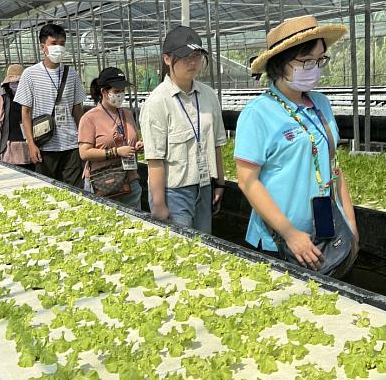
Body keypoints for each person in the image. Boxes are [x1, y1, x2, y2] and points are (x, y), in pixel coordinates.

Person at [235, 15, 358, 274]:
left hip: (324, 233)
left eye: (319, 60)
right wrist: (290, 233)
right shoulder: (258, 112)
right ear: (281, 64)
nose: (315, 69)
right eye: (306, 62)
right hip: (278, 241)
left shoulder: (321, 104)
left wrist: (350, 223)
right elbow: (247, 181)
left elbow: (333, 165)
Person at [140, 26, 227, 234]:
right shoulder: (157, 102)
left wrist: (220, 184)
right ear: (167, 59)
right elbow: (155, 159)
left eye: (196, 56)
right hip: (175, 192)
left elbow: (215, 144)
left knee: (205, 245)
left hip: (205, 186)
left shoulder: (208, 95)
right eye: (185, 56)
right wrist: (159, 204)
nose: (192, 62)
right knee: (182, 251)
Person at [15, 23, 86, 187]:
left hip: (71, 144)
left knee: (75, 189)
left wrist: (83, 140)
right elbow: (25, 112)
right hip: (45, 145)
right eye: (54, 43)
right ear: (43, 47)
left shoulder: (72, 74)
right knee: (47, 187)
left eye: (62, 44)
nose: (59, 48)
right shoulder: (30, 74)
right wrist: (30, 144)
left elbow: (77, 110)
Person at [78, 67, 144, 209]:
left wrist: (138, 146)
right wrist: (116, 152)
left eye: (122, 91)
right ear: (104, 92)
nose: (120, 94)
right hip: (103, 182)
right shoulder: (90, 118)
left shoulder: (127, 114)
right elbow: (84, 153)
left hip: (130, 181)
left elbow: (132, 140)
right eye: (116, 91)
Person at [0, 64, 32, 169]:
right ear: (8, 84)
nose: (16, 85)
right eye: (13, 83)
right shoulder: (3, 100)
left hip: (29, 147)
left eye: (19, 82)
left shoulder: (30, 99)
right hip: (10, 148)